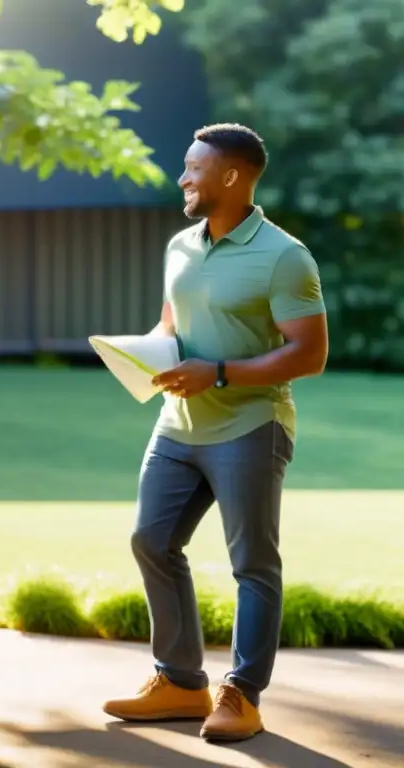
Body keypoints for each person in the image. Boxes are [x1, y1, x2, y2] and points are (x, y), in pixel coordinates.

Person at [101, 123, 328, 742]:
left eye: (192, 168)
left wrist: (220, 373)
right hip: (178, 426)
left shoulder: (284, 257)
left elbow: (309, 354)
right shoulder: (179, 246)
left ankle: (243, 694)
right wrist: (145, 355)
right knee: (151, 540)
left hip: (251, 426)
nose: (182, 178)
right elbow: (173, 322)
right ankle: (179, 680)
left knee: (252, 563)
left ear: (230, 176)